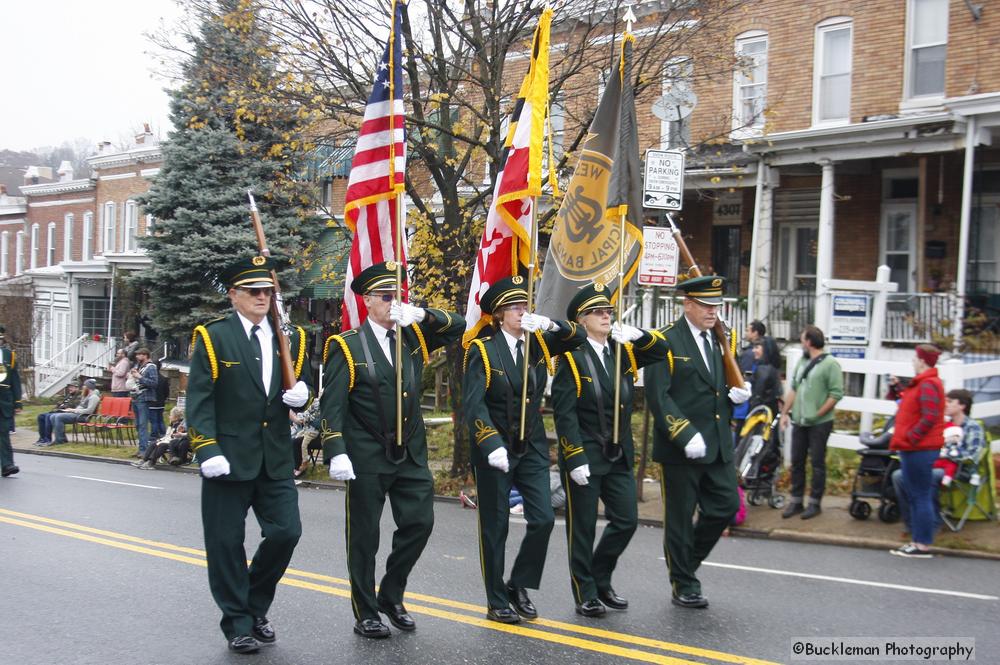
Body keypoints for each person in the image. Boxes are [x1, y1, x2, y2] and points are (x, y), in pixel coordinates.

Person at [320, 261, 464, 639]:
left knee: (420, 523)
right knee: (365, 537)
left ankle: (392, 593)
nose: (395, 303)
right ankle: (366, 610)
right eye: (387, 297)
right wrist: (336, 449)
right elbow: (332, 406)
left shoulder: (413, 337)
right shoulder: (347, 346)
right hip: (366, 456)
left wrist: (423, 314)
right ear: (367, 300)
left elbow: (458, 325)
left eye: (400, 296)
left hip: (411, 455)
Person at [186, 254, 312, 654]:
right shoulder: (213, 337)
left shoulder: (290, 339)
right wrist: (206, 447)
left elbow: (289, 395)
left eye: (268, 291)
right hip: (227, 458)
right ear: (233, 295)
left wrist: (301, 396)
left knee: (285, 532)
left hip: (273, 457)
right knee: (225, 544)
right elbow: (199, 400)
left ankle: (255, 606)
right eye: (254, 291)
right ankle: (237, 623)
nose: (262, 297)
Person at [462, 276, 585, 624]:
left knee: (544, 518)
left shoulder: (538, 345)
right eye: (514, 307)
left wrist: (549, 323)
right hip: (496, 448)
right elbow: (474, 405)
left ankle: (519, 583)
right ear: (500, 314)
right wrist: (489, 442)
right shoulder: (483, 351)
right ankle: (496, 600)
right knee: (496, 525)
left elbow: (577, 336)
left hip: (530, 444)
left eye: (524, 306)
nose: (521, 312)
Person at [551, 283, 665, 617]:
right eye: (598, 313)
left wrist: (640, 336)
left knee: (627, 520)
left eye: (608, 312)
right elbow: (564, 412)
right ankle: (584, 590)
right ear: (582, 320)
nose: (606, 316)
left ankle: (601, 577)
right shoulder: (571, 359)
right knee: (582, 527)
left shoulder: (622, 352)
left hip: (618, 454)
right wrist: (573, 457)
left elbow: (661, 350)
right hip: (586, 454)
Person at [644, 276, 752, 609]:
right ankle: (684, 583)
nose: (712, 311)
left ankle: (684, 565)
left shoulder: (722, 338)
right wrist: (683, 433)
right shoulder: (664, 340)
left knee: (726, 506)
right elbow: (658, 396)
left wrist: (739, 398)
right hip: (682, 446)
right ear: (687, 304)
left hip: (717, 444)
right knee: (680, 516)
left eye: (716, 306)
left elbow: (722, 387)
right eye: (706, 305)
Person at [888, 345, 948, 558]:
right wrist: (897, 390)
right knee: (916, 495)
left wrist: (912, 438)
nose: (913, 361)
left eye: (915, 358)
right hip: (915, 447)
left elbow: (929, 416)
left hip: (919, 448)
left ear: (922, 361)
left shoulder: (928, 384)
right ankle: (917, 540)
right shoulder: (922, 383)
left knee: (920, 495)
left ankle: (922, 543)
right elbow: (910, 407)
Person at [779, 325, 844, 520]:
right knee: (797, 461)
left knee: (817, 462)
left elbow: (836, 393)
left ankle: (815, 502)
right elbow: (794, 388)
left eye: (802, 340)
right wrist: (784, 413)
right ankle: (796, 500)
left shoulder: (830, 364)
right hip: (800, 420)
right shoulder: (802, 361)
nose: (801, 343)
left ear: (809, 342)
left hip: (819, 423)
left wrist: (818, 413)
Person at [733, 321, 766, 441]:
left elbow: (743, 376)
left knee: (741, 434)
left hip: (747, 400)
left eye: (748, 330)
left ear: (755, 333)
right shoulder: (764, 350)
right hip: (757, 401)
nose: (746, 333)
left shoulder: (749, 354)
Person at [0, 326, 23, 477]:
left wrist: (18, 402)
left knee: (3, 433)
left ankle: (7, 464)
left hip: (4, 400)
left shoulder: (9, 355)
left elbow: (15, 379)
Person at [49, 379, 102, 445]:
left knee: (58, 417)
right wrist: (70, 410)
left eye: (84, 386)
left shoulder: (94, 397)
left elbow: (89, 411)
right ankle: (62, 438)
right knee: (52, 416)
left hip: (83, 417)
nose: (83, 387)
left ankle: (59, 440)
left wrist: (74, 410)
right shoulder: (87, 395)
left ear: (88, 387)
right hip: (77, 414)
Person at [129, 348, 159, 457]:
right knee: (137, 424)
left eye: (139, 355)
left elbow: (154, 383)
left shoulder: (151, 367)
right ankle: (141, 447)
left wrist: (140, 377)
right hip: (136, 396)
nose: (137, 357)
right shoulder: (139, 366)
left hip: (144, 397)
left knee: (142, 424)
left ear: (145, 355)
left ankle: (144, 450)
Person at [747, 338, 783, 415]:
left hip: (760, 412)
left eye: (757, 347)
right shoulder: (774, 368)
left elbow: (758, 394)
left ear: (765, 350)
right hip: (771, 411)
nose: (753, 350)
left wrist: (751, 412)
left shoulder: (762, 369)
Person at [148, 361, 170, 440]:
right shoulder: (163, 378)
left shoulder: (150, 379)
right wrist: (164, 398)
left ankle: (154, 435)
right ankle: (163, 433)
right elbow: (167, 391)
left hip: (152, 402)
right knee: (160, 419)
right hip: (161, 402)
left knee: (153, 420)